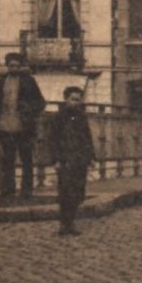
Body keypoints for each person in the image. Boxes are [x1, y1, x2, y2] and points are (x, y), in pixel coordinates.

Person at [47, 86, 96, 235]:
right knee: (65, 192)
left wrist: (91, 158)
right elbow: (53, 140)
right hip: (65, 160)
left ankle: (71, 221)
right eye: (73, 99)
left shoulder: (81, 117)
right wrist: (55, 159)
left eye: (78, 100)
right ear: (66, 99)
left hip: (80, 160)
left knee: (78, 192)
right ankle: (65, 224)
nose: (76, 103)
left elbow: (87, 138)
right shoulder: (58, 118)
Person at [0, 52, 46, 199]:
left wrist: (28, 111)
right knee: (7, 159)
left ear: (21, 66)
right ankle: (8, 188)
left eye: (16, 66)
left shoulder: (29, 81)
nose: (14, 68)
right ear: (7, 66)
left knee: (26, 159)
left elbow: (40, 103)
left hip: (24, 126)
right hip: (5, 124)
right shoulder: (1, 81)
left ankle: (26, 190)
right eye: (11, 66)